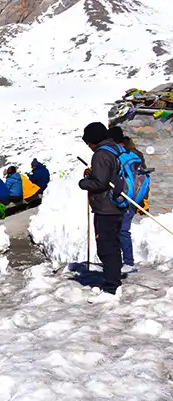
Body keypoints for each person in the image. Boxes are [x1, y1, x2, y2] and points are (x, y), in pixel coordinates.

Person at [78, 122, 124, 301]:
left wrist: (84, 183)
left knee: (106, 247)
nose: (88, 146)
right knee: (113, 244)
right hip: (116, 205)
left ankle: (111, 288)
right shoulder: (114, 149)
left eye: (88, 142)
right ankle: (114, 280)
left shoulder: (101, 154)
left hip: (106, 208)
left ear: (94, 140)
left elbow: (100, 183)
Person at [118, 136, 146, 273]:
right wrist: (143, 199)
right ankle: (124, 261)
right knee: (122, 230)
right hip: (133, 198)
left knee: (122, 230)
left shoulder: (123, 156)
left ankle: (128, 262)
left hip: (123, 198)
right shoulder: (137, 156)